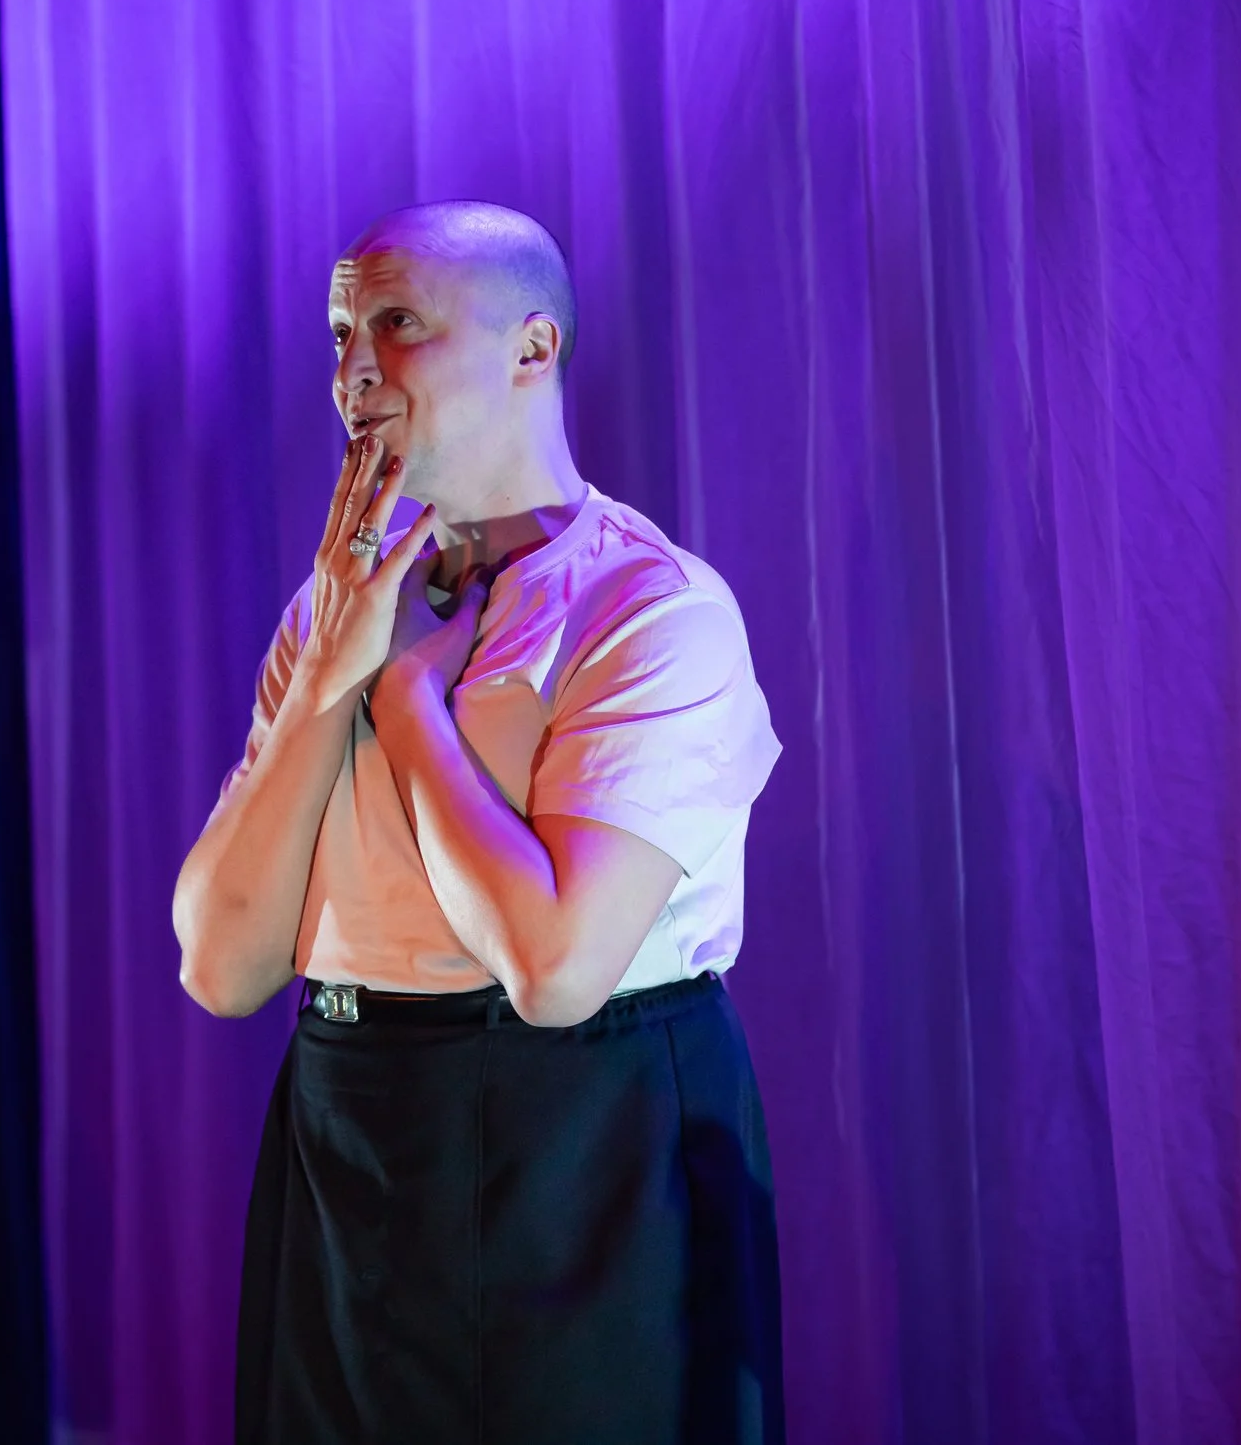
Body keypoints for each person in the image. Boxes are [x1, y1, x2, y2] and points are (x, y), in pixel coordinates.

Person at [175, 202, 786, 1444]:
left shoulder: (647, 605)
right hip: (350, 1109)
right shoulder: (335, 605)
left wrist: (406, 698)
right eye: (342, 330)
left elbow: (554, 966)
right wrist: (335, 667)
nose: (352, 368)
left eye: (395, 324)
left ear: (531, 346)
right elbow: (221, 961)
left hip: (580, 1126)